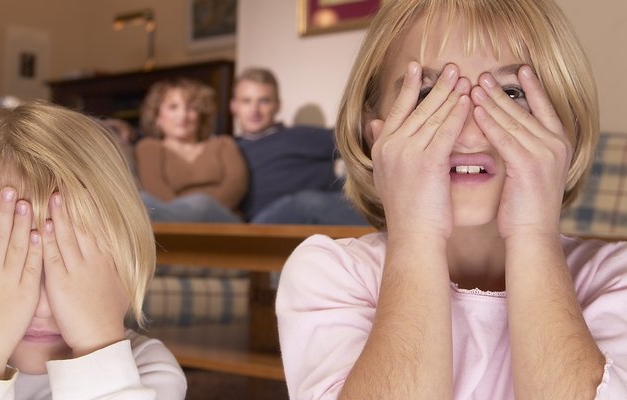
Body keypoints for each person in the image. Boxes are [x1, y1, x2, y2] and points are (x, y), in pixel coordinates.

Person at [276, 0, 626, 398]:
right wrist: (416, 236)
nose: (468, 134)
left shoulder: (613, 280)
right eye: (429, 96)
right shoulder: (331, 274)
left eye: (510, 94)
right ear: (374, 133)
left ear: (567, 129)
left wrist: (532, 234)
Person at [0, 101, 187, 399]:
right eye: (6, 265)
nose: (41, 307)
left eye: (69, 264)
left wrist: (99, 346)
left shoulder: (146, 368)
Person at [231, 67, 368, 225]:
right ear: (234, 106)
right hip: (260, 221)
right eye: (246, 101)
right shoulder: (230, 148)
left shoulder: (298, 135)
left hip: (335, 199)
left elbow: (357, 139)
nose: (254, 110)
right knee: (305, 203)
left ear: (277, 106)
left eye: (264, 101)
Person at [135, 78, 247, 223]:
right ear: (157, 117)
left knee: (201, 202)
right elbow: (157, 194)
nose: (182, 115)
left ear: (201, 115)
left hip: (222, 221)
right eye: (173, 107)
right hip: (171, 223)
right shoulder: (148, 148)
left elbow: (236, 185)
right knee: (145, 201)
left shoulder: (224, 144)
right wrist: (186, 213)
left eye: (191, 108)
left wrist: (204, 207)